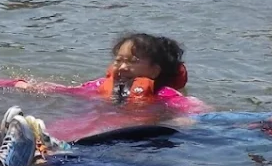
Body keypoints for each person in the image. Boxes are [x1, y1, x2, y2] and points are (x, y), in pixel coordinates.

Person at [16, 34, 204, 115]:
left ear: (154, 71)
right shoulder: (101, 86)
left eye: (132, 61)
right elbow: (71, 91)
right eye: (118, 60)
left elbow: (192, 106)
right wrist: (34, 87)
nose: (122, 66)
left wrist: (184, 119)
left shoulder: (162, 95)